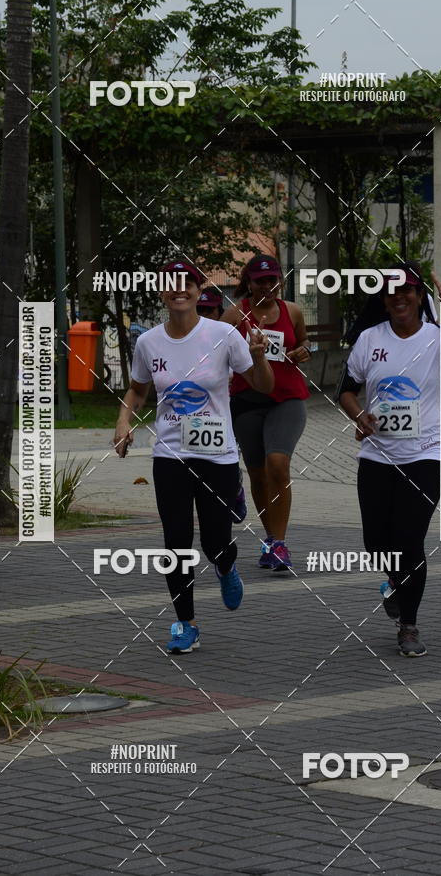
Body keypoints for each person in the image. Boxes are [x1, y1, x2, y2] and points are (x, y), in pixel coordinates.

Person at [114, 258, 274, 654]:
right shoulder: (149, 342)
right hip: (170, 452)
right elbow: (137, 389)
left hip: (217, 454)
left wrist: (259, 356)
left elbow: (263, 386)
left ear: (199, 288)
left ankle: (225, 564)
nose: (179, 290)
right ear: (161, 291)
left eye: (187, 283)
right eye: (171, 284)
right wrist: (123, 421)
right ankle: (186, 622)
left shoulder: (223, 334)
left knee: (216, 540)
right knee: (176, 541)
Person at [339, 263, 441, 657]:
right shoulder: (368, 339)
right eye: (391, 292)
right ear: (383, 299)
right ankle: (395, 582)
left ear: (418, 295)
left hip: (427, 454)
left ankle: (408, 625)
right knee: (377, 543)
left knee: (409, 540)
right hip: (376, 456)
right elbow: (346, 390)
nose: (399, 297)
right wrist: (360, 416)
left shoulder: (440, 336)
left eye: (407, 290)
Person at [222, 255, 311, 572]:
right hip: (247, 400)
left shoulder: (293, 311)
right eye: (261, 280)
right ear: (249, 282)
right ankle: (271, 539)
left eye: (273, 279)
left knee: (278, 464)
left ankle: (281, 543)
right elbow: (220, 357)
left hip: (287, 398)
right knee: (257, 472)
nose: (268, 286)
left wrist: (304, 350)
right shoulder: (234, 315)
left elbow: (303, 342)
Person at [197, 285, 248, 523]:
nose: (204, 316)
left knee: (227, 463)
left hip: (229, 413)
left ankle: (234, 490)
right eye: (200, 310)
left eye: (209, 310)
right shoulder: (182, 341)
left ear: (220, 311)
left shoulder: (229, 337)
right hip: (192, 420)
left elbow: (253, 374)